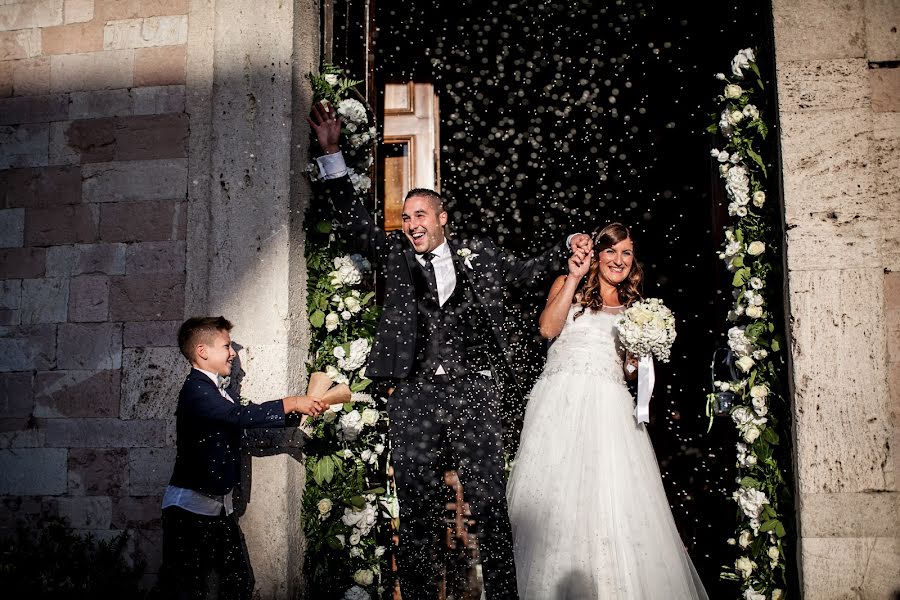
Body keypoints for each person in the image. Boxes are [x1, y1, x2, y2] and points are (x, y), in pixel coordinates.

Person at [307, 101, 592, 599]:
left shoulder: (479, 256)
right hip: (414, 395)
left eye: (420, 214)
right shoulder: (395, 256)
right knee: (417, 506)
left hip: (473, 392)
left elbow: (528, 272)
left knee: (488, 502)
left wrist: (566, 249)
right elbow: (354, 223)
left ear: (442, 217)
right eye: (405, 216)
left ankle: (504, 594)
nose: (411, 222)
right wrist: (331, 152)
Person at [506, 223, 709, 600]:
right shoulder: (566, 284)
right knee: (555, 499)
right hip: (560, 403)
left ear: (633, 261)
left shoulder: (634, 308)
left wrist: (639, 350)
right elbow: (548, 329)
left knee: (609, 499)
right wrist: (574, 278)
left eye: (627, 253)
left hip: (608, 408)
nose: (619, 260)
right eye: (612, 251)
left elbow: (630, 371)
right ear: (597, 255)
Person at [155, 316, 326, 600]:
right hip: (188, 511)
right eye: (226, 346)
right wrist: (292, 402)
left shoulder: (216, 390)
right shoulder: (196, 389)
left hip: (218, 508)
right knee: (183, 589)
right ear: (202, 351)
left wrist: (300, 410)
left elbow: (242, 417)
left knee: (237, 583)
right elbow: (238, 416)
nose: (232, 353)